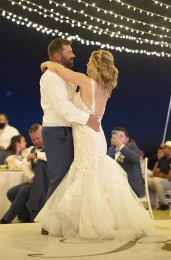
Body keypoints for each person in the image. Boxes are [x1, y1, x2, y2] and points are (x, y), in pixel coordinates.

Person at [35, 48, 153, 242]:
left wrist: (49, 63)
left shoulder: (85, 81)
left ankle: (88, 223)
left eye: (89, 62)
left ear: (96, 65)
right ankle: (99, 220)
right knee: (95, 175)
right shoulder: (104, 89)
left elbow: (64, 72)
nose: (86, 64)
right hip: (96, 135)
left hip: (86, 135)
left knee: (87, 174)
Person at [39, 38, 100, 206]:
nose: (73, 55)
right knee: (59, 177)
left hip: (69, 130)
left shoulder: (63, 74)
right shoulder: (52, 77)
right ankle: (49, 223)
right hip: (57, 130)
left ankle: (62, 220)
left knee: (68, 177)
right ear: (57, 56)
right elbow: (61, 106)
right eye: (69, 52)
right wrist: (86, 118)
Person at [107, 127, 145, 198]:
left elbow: (135, 159)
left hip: (130, 185)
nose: (118, 138)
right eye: (116, 136)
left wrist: (120, 146)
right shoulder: (111, 149)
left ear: (127, 139)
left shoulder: (131, 147)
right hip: (114, 183)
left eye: (121, 136)